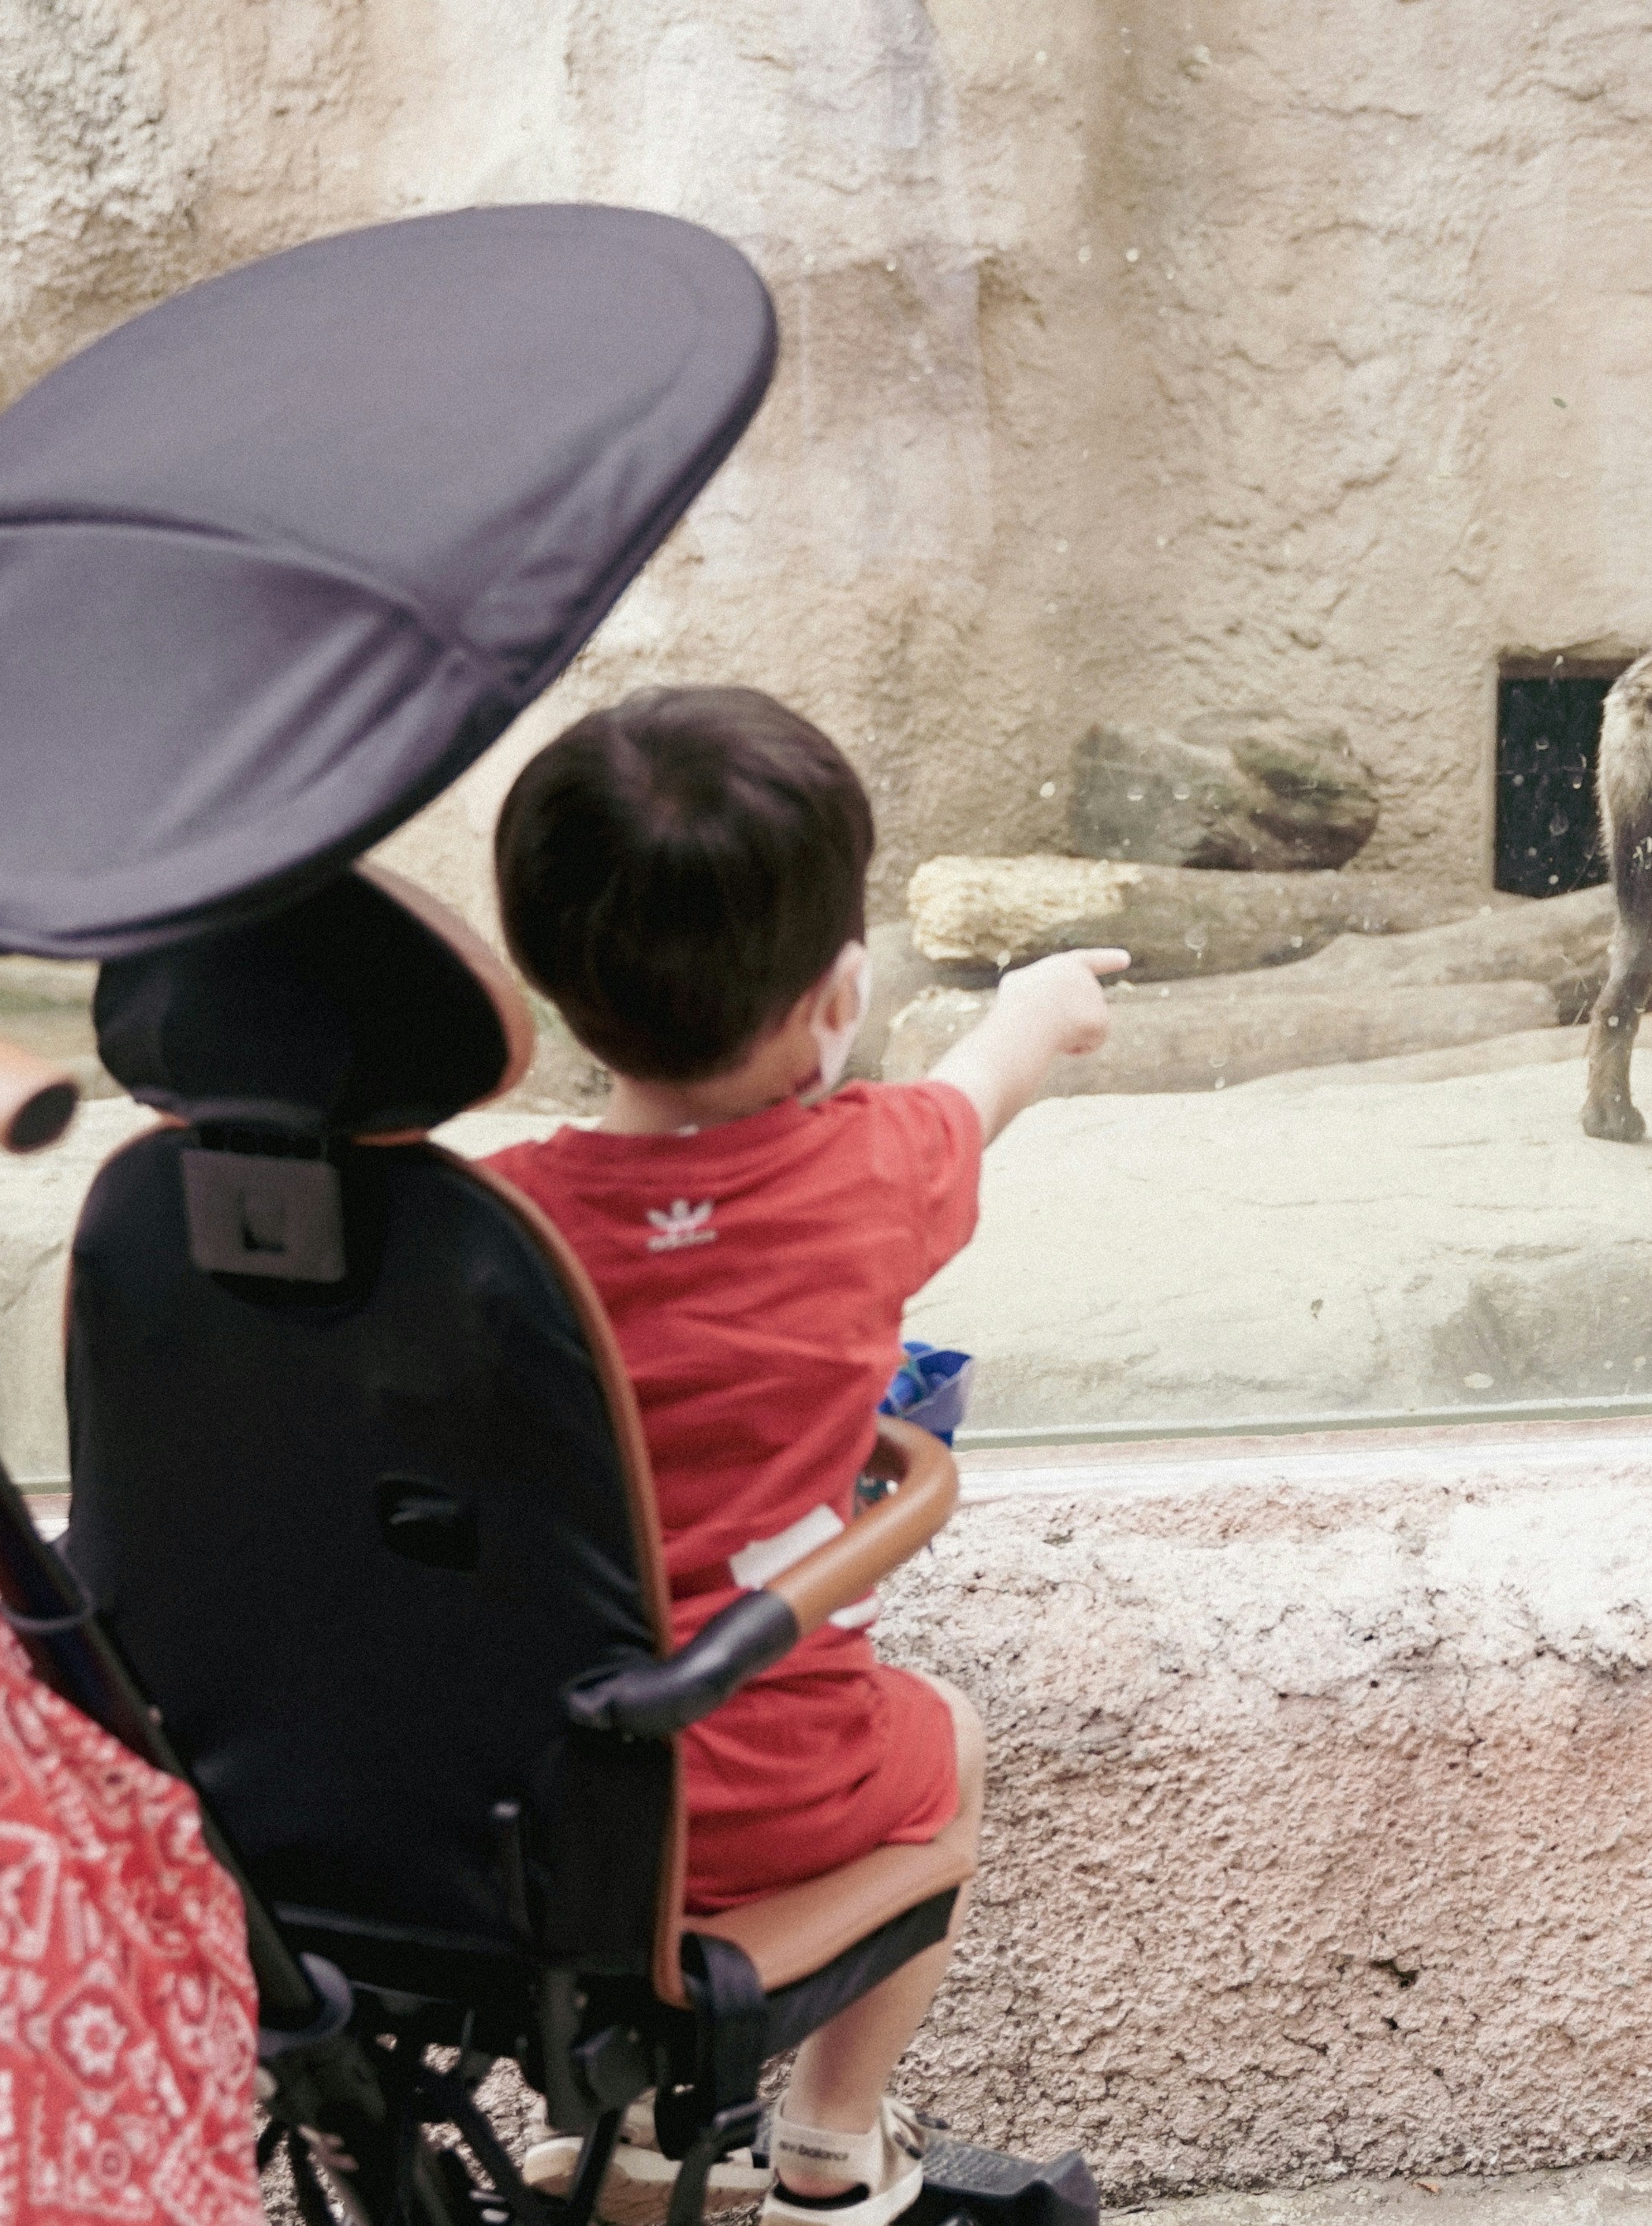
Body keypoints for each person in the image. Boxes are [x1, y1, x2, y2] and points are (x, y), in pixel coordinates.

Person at [487, 688, 1121, 2226]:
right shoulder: (862, 1173)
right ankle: (832, 2140)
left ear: (557, 988)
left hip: (508, 1791)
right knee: (943, 1738)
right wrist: (1033, 1008)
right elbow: (980, 1089)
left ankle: (635, 2133)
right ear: (837, 999)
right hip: (770, 1777)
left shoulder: (496, 1222)